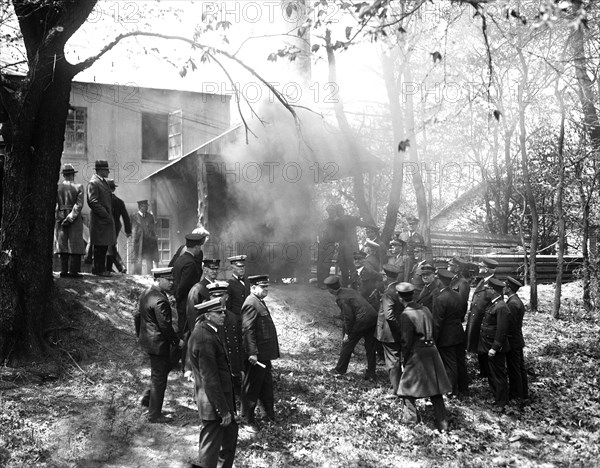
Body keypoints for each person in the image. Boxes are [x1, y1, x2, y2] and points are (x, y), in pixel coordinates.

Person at [188, 298, 238, 468]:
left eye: (223, 311)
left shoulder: (210, 331)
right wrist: (222, 410)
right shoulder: (204, 337)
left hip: (218, 399)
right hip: (213, 403)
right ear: (207, 315)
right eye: (219, 312)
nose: (223, 315)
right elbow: (210, 378)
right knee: (209, 452)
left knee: (229, 439)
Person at [396, 282, 451, 432]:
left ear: (400, 298)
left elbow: (406, 342)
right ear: (412, 296)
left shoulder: (406, 315)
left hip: (417, 353)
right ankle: (443, 424)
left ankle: (411, 421)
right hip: (432, 350)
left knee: (406, 388)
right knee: (436, 389)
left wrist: (404, 360)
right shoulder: (425, 309)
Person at [135, 267, 183, 423]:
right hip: (158, 344)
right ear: (158, 280)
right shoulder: (160, 299)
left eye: (172, 280)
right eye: (168, 280)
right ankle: (154, 414)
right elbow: (165, 326)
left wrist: (139, 335)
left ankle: (148, 400)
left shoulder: (146, 293)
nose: (171, 283)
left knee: (158, 374)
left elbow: (137, 315)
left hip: (148, 341)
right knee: (160, 379)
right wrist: (177, 341)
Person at [241, 275, 280, 429]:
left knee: (266, 385)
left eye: (267, 287)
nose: (266, 289)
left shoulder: (259, 302)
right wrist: (252, 352)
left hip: (264, 354)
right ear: (253, 288)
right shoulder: (251, 303)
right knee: (252, 386)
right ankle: (246, 419)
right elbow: (247, 330)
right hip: (256, 356)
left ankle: (269, 415)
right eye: (262, 287)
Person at [324, 275, 378, 380]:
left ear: (330, 290)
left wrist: (348, 334)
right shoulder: (349, 291)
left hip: (362, 321)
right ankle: (371, 374)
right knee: (371, 348)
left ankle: (339, 370)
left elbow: (349, 317)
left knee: (347, 344)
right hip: (373, 317)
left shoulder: (341, 298)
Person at [433, 269, 468, 397]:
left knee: (450, 364)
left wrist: (434, 340)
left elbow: (437, 323)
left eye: (437, 279)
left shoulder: (440, 299)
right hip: (458, 333)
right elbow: (463, 312)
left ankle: (451, 391)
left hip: (446, 337)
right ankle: (464, 389)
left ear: (440, 282)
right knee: (460, 362)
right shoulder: (457, 295)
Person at [173, 233, 205, 368]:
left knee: (182, 331)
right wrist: (178, 298)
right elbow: (184, 286)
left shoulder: (180, 260)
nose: (199, 249)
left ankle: (175, 360)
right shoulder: (191, 263)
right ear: (196, 247)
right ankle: (182, 364)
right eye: (199, 246)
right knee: (185, 333)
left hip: (180, 301)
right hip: (185, 303)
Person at [479, 277, 511, 409]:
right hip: (488, 345)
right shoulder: (493, 304)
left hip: (495, 348)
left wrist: (495, 347)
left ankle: (502, 402)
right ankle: (497, 399)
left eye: (487, 289)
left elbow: (502, 330)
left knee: (498, 375)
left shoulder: (501, 307)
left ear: (493, 290)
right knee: (492, 374)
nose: (485, 291)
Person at [465, 257, 498, 378]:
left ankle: (489, 373)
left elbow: (495, 306)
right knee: (480, 347)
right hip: (477, 320)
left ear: (489, 270)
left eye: (483, 267)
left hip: (484, 322)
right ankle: (484, 372)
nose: (480, 268)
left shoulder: (493, 284)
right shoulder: (482, 281)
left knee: (485, 348)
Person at [375, 264, 404, 396]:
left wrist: (397, 331)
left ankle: (395, 390)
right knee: (396, 359)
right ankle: (399, 385)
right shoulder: (401, 289)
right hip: (397, 331)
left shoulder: (388, 293)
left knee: (392, 361)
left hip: (389, 333)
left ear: (386, 276)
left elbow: (390, 316)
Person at [333, 204, 379, 287]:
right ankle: (346, 285)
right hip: (343, 247)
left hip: (350, 247)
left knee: (353, 266)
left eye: (339, 210)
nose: (338, 213)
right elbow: (335, 236)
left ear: (342, 211)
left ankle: (353, 285)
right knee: (344, 266)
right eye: (337, 211)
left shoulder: (349, 219)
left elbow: (362, 223)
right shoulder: (339, 221)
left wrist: (372, 227)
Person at [55, 163, 85, 278]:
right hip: (74, 219)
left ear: (63, 175)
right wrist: (70, 218)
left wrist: (59, 217)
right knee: (75, 243)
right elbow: (79, 205)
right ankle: (73, 272)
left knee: (63, 244)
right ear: (72, 174)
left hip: (61, 217)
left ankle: (63, 271)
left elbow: (55, 204)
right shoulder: (79, 187)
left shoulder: (57, 187)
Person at [87, 160, 116, 277]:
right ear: (100, 170)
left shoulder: (102, 182)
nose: (108, 172)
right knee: (99, 246)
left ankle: (99, 269)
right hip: (100, 219)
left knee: (103, 245)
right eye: (106, 170)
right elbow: (92, 202)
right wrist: (105, 214)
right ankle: (99, 270)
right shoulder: (94, 182)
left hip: (103, 219)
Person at [504, 276, 529, 403]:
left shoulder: (512, 304)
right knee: (519, 367)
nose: (503, 288)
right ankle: (523, 393)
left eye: (505, 286)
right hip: (517, 339)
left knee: (514, 369)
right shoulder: (516, 301)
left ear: (509, 288)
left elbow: (511, 326)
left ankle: (516, 395)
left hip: (513, 341)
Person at [187, 259, 221, 333]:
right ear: (205, 270)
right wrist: (195, 333)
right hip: (203, 330)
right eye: (212, 269)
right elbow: (192, 314)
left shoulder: (220, 287)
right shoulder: (197, 289)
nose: (215, 271)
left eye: (216, 269)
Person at [106, 179, 131, 274]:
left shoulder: (104, 201)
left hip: (107, 226)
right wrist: (128, 230)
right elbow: (126, 217)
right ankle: (119, 267)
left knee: (108, 247)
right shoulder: (120, 202)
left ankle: (112, 268)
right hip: (116, 226)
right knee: (111, 246)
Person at [131, 200, 160, 275]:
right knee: (138, 261)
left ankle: (149, 276)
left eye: (147, 206)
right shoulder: (134, 217)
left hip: (148, 243)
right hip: (138, 243)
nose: (147, 207)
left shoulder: (150, 217)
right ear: (140, 207)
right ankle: (137, 277)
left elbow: (152, 230)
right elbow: (133, 231)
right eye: (145, 206)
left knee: (149, 260)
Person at [316, 204, 338, 287]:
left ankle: (325, 283)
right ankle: (319, 282)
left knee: (326, 264)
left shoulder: (337, 222)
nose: (330, 212)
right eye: (329, 211)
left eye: (332, 211)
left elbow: (338, 235)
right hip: (322, 244)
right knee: (320, 263)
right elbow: (319, 231)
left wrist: (336, 243)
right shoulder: (325, 222)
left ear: (335, 212)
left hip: (330, 244)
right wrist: (318, 239)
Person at [401, 216, 426, 282]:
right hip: (402, 259)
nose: (411, 226)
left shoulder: (420, 237)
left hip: (413, 260)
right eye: (410, 224)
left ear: (416, 225)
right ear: (407, 225)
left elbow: (421, 250)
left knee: (409, 276)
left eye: (413, 224)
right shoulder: (402, 235)